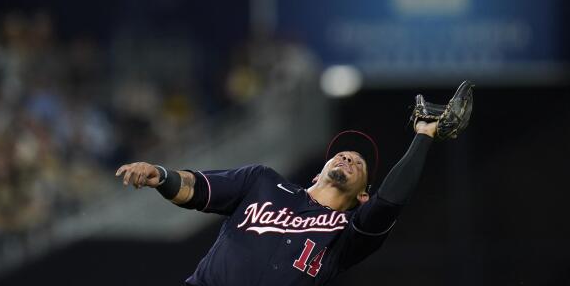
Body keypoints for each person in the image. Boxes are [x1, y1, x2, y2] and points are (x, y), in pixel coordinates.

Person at [116, 117, 443, 285]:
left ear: (363, 195)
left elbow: (390, 202)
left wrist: (423, 135)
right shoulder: (262, 182)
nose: (348, 157)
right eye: (342, 155)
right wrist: (160, 175)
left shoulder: (347, 233)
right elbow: (197, 188)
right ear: (317, 174)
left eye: (359, 163)